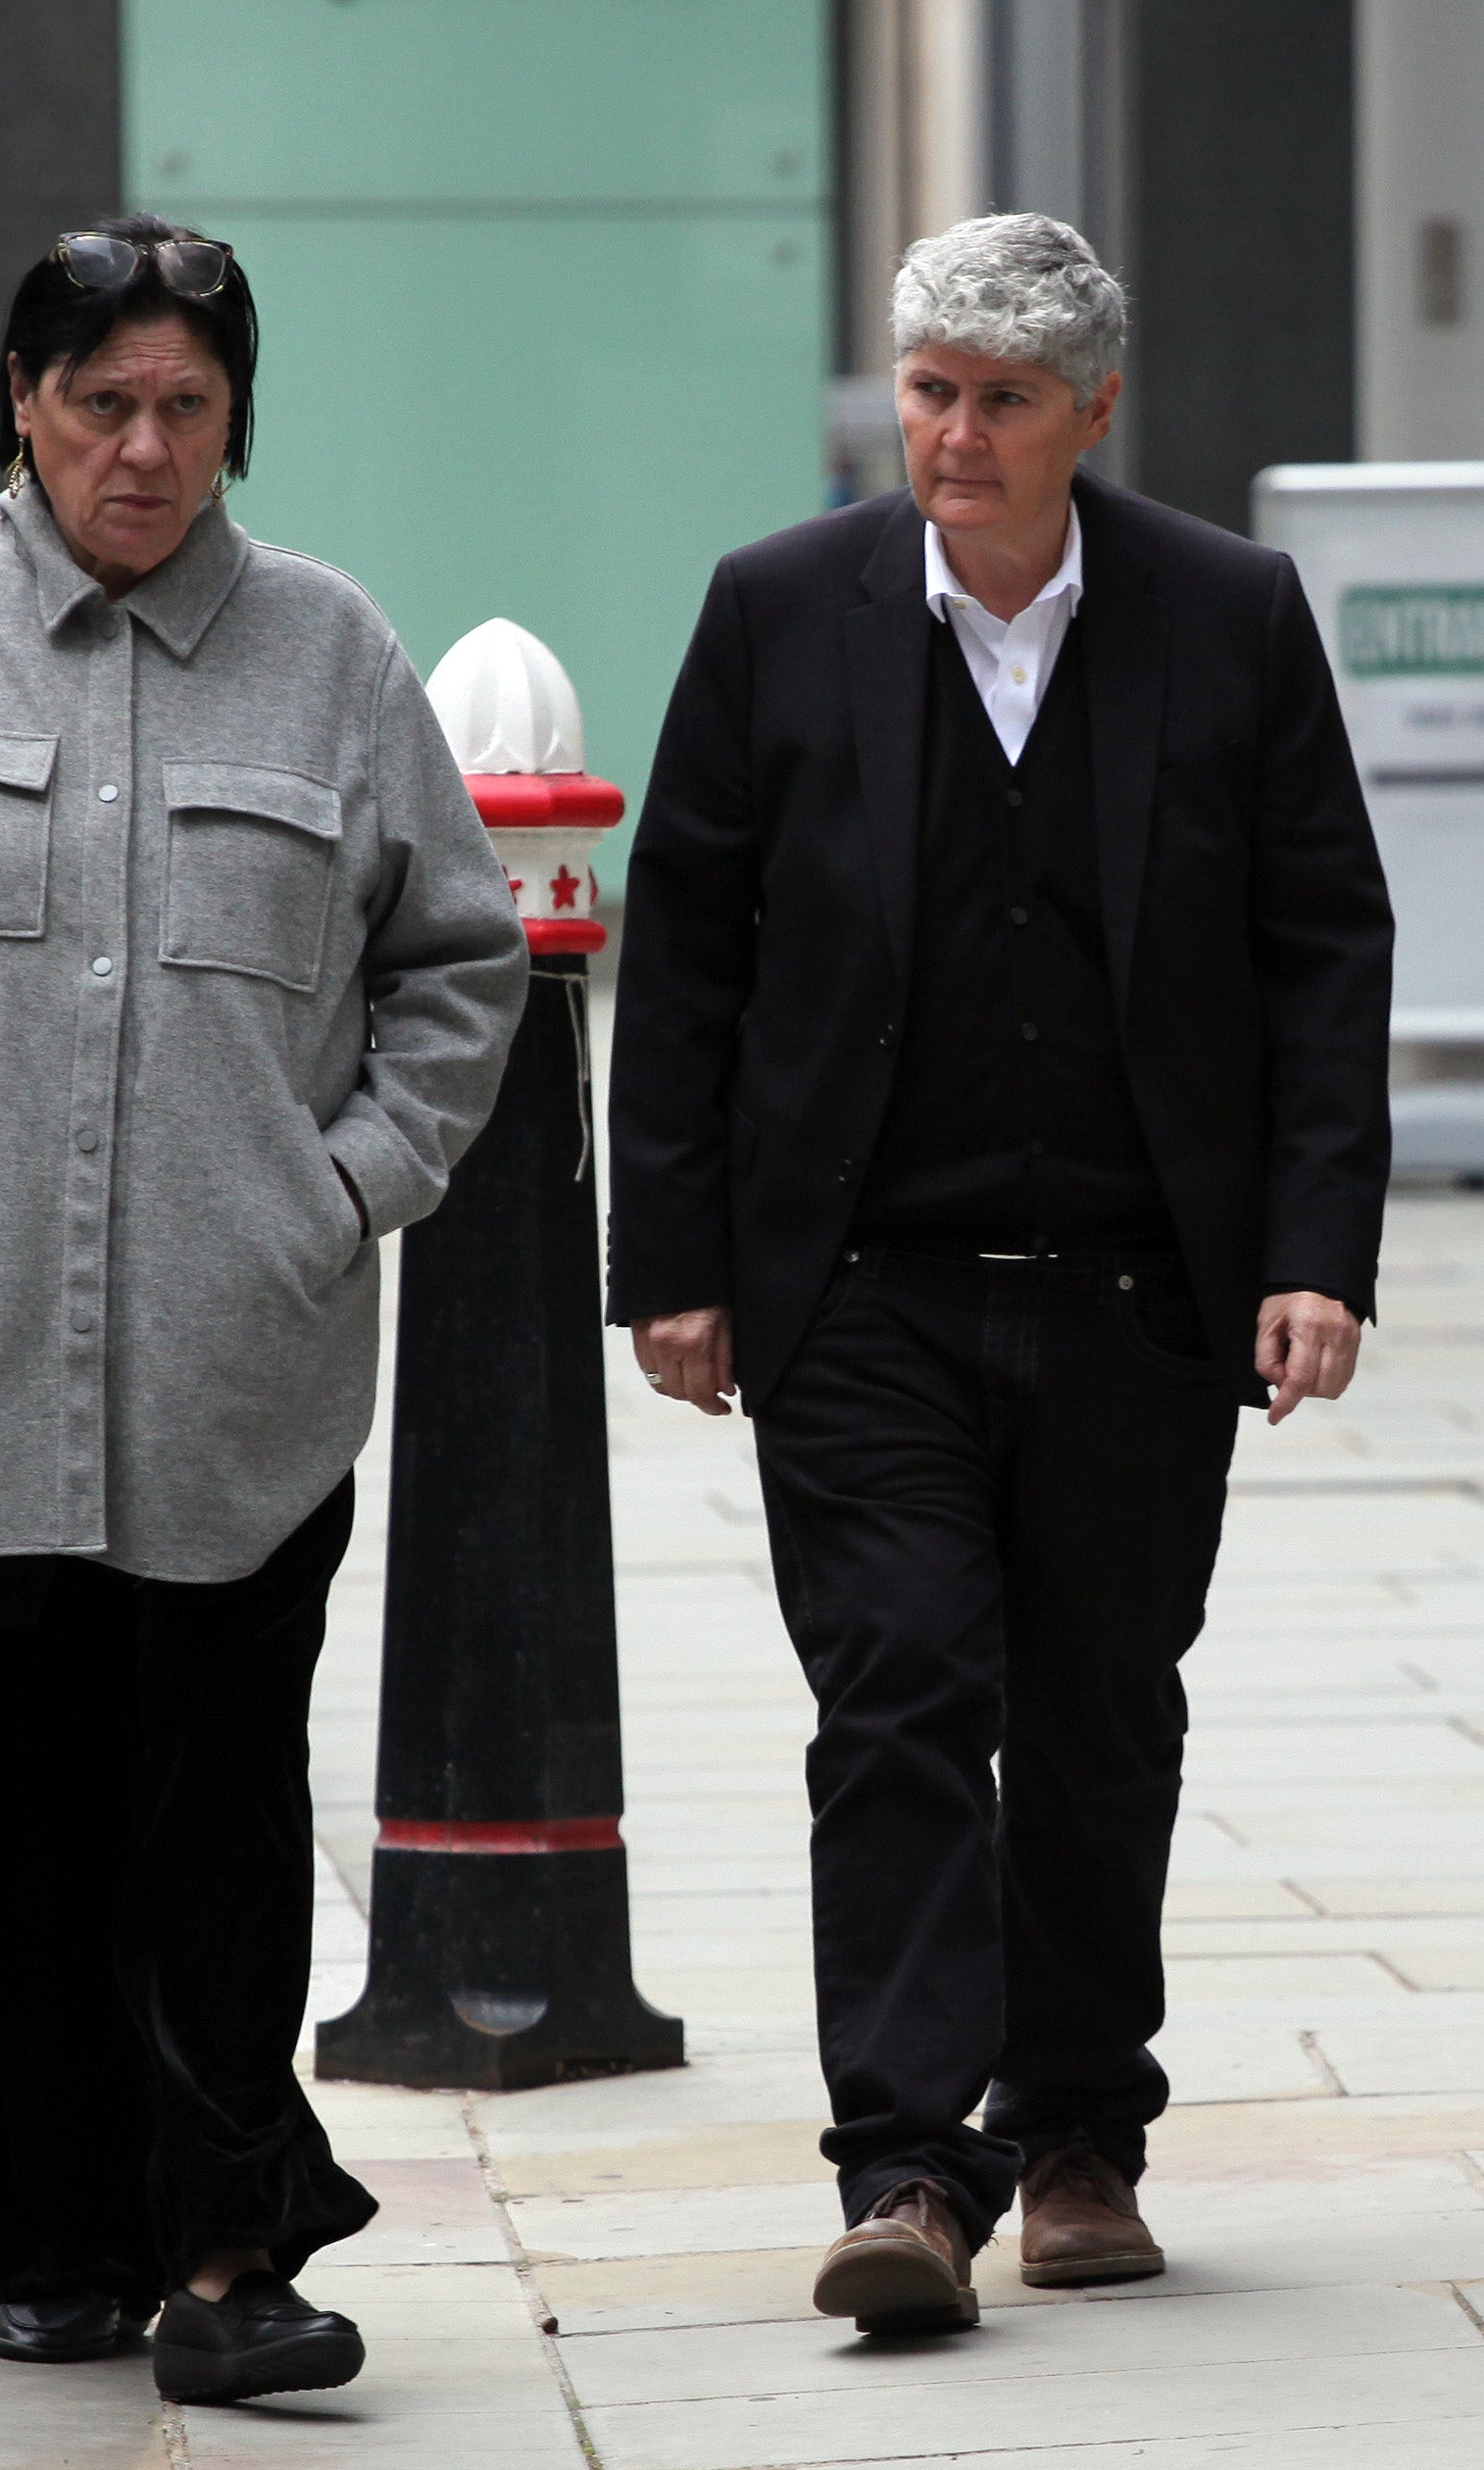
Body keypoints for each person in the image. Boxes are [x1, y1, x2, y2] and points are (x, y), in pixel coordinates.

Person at [0, 215, 527, 2401]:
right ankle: (48, 2246)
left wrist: (345, 1189)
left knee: (216, 1830)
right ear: (22, 400)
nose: (143, 450)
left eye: (185, 406)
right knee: (10, 1834)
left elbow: (465, 965)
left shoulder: (332, 652)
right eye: (101, 404)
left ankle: (229, 2253)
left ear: (235, 416)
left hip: (244, 1375)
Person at [608, 213, 1392, 2334]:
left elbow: (1325, 944)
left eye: (1001, 401)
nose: (951, 437)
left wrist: (1318, 1249)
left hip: (1142, 1291)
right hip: (864, 1289)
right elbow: (685, 945)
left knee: (1102, 1714)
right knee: (900, 1700)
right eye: (930, 390)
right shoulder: (778, 610)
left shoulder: (1226, 617)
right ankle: (905, 2174)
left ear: (1092, 414)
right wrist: (672, 1257)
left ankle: (1077, 2135)